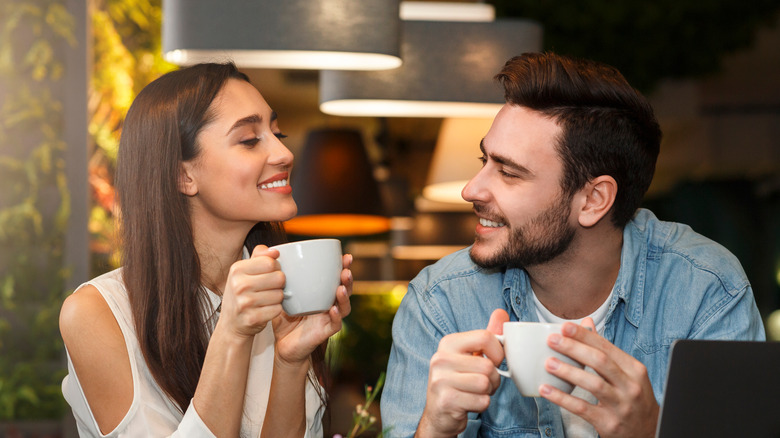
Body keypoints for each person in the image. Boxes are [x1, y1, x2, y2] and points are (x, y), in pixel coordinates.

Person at [380, 52, 765, 438]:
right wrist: (434, 428)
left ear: (593, 200)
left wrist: (650, 432)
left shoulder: (706, 289)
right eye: (484, 161)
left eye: (508, 172)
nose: (471, 189)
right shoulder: (441, 300)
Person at [59, 62, 353, 437]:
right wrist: (232, 331)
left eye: (278, 132)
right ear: (184, 175)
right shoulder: (97, 313)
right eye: (250, 139)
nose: (283, 152)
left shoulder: (283, 297)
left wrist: (291, 361)